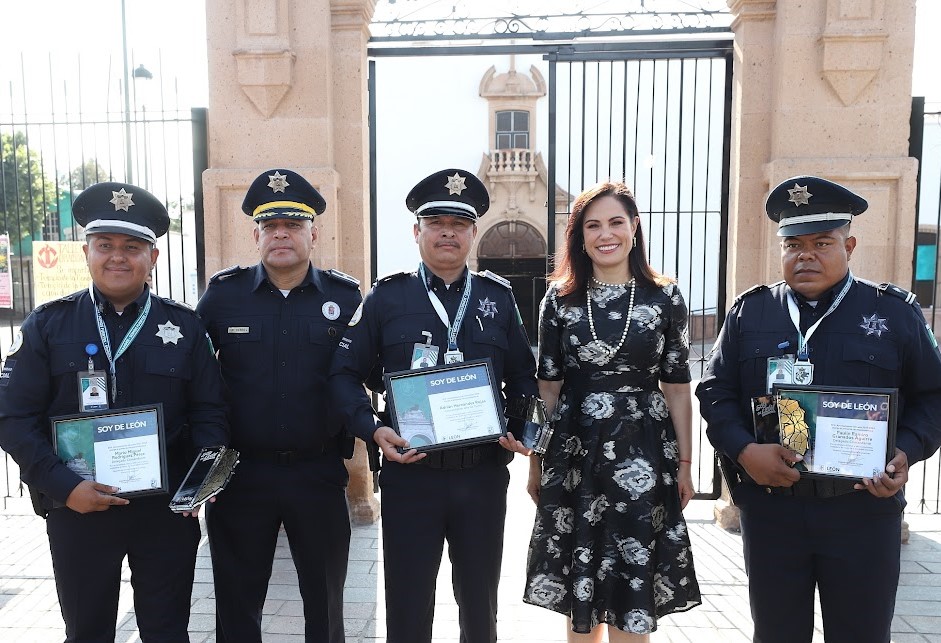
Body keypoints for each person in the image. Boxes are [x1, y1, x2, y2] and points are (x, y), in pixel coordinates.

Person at [695, 175, 941, 643]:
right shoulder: (751, 313)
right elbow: (715, 392)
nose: (805, 255)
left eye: (822, 242)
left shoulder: (892, 313)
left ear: (849, 245)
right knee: (777, 634)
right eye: (794, 244)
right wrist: (745, 451)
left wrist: (905, 452)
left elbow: (933, 396)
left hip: (863, 510)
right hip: (773, 513)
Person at [0, 181, 229, 642]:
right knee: (87, 631)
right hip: (78, 507)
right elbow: (12, 418)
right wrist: (65, 487)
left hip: (166, 513)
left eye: (133, 246)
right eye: (105, 245)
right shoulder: (49, 324)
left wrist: (200, 487)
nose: (118, 257)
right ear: (87, 252)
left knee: (166, 631)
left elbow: (211, 414)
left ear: (154, 258)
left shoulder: (183, 327)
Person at [329, 168, 538, 643]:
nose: (448, 232)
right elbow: (342, 374)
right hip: (411, 474)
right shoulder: (387, 297)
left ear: (473, 232)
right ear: (416, 231)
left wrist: (523, 428)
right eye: (436, 222)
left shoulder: (497, 298)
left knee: (480, 602)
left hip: (481, 474)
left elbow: (525, 375)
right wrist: (371, 428)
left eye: (459, 223)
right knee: (407, 600)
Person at [520, 181, 701, 641]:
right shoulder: (559, 300)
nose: (606, 234)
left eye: (616, 222)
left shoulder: (665, 298)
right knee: (579, 576)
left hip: (645, 452)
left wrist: (684, 464)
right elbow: (548, 387)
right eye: (592, 225)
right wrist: (537, 462)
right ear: (579, 236)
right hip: (574, 453)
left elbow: (678, 386)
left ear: (634, 228)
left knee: (631, 580)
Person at [196, 169, 362, 643]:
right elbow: (194, 377)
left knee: (325, 602)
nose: (281, 234)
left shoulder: (345, 296)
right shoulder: (223, 296)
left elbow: (369, 373)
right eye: (270, 227)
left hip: (318, 474)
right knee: (236, 600)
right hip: (241, 476)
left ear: (315, 233)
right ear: (256, 236)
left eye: (292, 225)